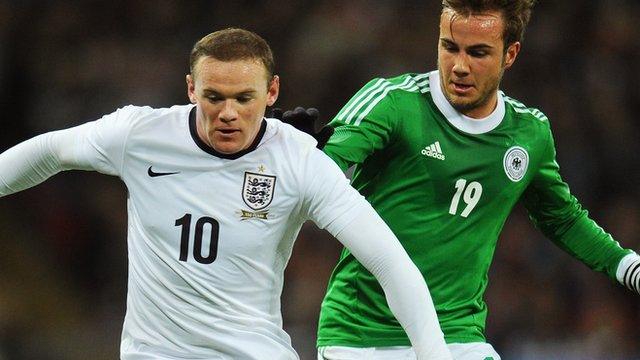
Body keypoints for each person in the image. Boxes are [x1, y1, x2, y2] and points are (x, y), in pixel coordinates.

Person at [0, 28, 452, 359]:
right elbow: (51, 150)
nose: (228, 114)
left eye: (244, 98)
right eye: (214, 96)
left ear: (272, 91)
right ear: (191, 88)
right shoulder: (140, 135)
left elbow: (390, 262)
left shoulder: (298, 160)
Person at [299, 1, 640, 359]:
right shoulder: (393, 102)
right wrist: (298, 154)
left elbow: (563, 219)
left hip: (459, 335)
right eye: (450, 47)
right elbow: (322, 170)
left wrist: (628, 267)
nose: (459, 66)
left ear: (510, 54)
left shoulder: (529, 133)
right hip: (363, 336)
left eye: (478, 53)